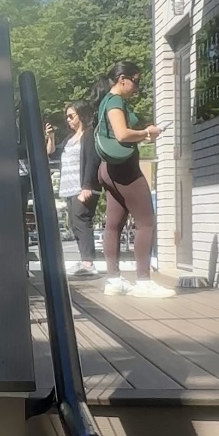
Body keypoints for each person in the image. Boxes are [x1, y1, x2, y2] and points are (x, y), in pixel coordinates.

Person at [93, 60, 170, 299]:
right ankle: (143, 281)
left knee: (113, 224)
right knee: (146, 222)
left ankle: (114, 280)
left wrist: (142, 138)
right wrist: (148, 132)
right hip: (124, 169)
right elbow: (122, 134)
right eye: (135, 81)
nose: (137, 86)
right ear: (122, 79)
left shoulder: (105, 101)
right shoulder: (115, 102)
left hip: (108, 169)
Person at [57, 101, 99, 276]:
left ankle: (89, 263)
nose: (68, 120)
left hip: (82, 187)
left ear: (81, 115)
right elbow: (53, 153)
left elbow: (92, 160)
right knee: (74, 224)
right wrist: (50, 137)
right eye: (66, 116)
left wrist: (87, 185)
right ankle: (85, 260)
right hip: (68, 187)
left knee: (82, 221)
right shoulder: (69, 138)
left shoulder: (88, 135)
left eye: (71, 116)